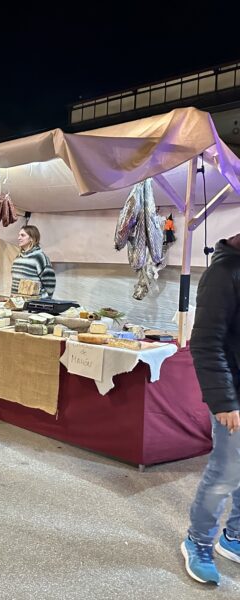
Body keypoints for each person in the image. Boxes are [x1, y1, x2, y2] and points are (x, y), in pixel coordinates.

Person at [181, 232, 240, 585]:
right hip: (232, 394)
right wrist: (224, 401)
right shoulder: (222, 274)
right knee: (226, 473)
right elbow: (204, 342)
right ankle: (198, 542)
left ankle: (233, 538)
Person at [11, 225, 56, 298]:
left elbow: (50, 284)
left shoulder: (40, 257)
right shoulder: (18, 257)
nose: (19, 238)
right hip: (17, 303)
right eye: (19, 235)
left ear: (32, 238)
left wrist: (41, 301)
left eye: (23, 235)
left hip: (33, 304)